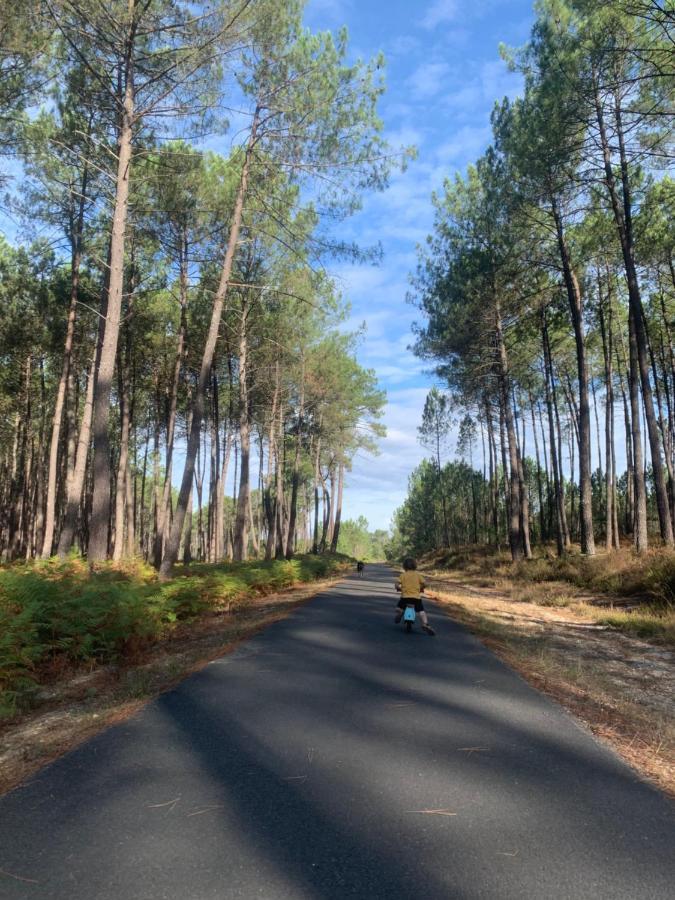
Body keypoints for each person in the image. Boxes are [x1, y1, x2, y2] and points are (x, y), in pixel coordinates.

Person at [394, 557, 435, 635]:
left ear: (404, 566)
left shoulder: (403, 575)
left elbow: (396, 585)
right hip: (416, 598)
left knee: (398, 608)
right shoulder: (418, 575)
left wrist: (399, 588)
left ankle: (401, 612)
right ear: (415, 566)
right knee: (421, 612)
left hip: (405, 597)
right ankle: (425, 624)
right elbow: (425, 584)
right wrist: (421, 588)